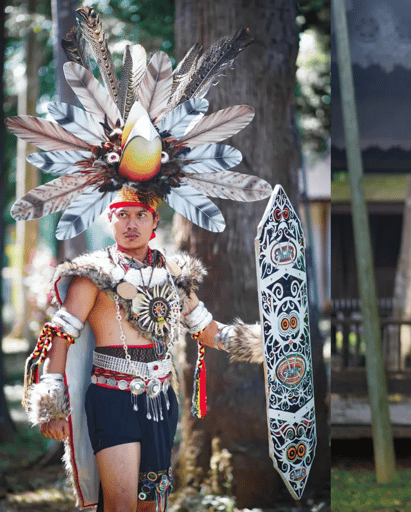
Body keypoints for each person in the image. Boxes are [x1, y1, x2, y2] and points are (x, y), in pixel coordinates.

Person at [12, 8, 268, 512]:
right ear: (110, 218)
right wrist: (52, 399)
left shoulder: (176, 277)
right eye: (120, 215)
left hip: (161, 400)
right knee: (123, 504)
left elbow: (206, 329)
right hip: (111, 398)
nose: (129, 224)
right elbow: (60, 338)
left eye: (139, 216)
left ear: (155, 221)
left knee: (152, 506)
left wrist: (265, 342)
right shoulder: (92, 275)